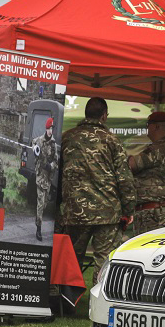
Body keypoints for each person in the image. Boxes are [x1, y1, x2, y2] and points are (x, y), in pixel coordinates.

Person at [60, 97, 135, 276]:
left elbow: (57, 171)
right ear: (104, 116)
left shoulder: (67, 138)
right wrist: (129, 209)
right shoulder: (112, 140)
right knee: (104, 262)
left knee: (71, 261)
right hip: (107, 213)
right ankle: (97, 302)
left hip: (75, 212)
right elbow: (124, 178)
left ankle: (66, 301)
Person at [129, 110, 165, 236]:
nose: (147, 129)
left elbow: (132, 165)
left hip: (154, 213)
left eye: (148, 125)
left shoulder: (159, 149)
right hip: (155, 211)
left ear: (156, 126)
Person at [32, 117, 59, 241]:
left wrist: (51, 166)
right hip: (40, 176)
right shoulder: (39, 140)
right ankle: (38, 229)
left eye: (52, 128)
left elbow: (56, 161)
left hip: (48, 178)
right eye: (49, 128)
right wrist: (35, 151)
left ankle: (38, 218)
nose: (50, 131)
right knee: (41, 203)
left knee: (45, 204)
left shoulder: (53, 145)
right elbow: (33, 145)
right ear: (46, 129)